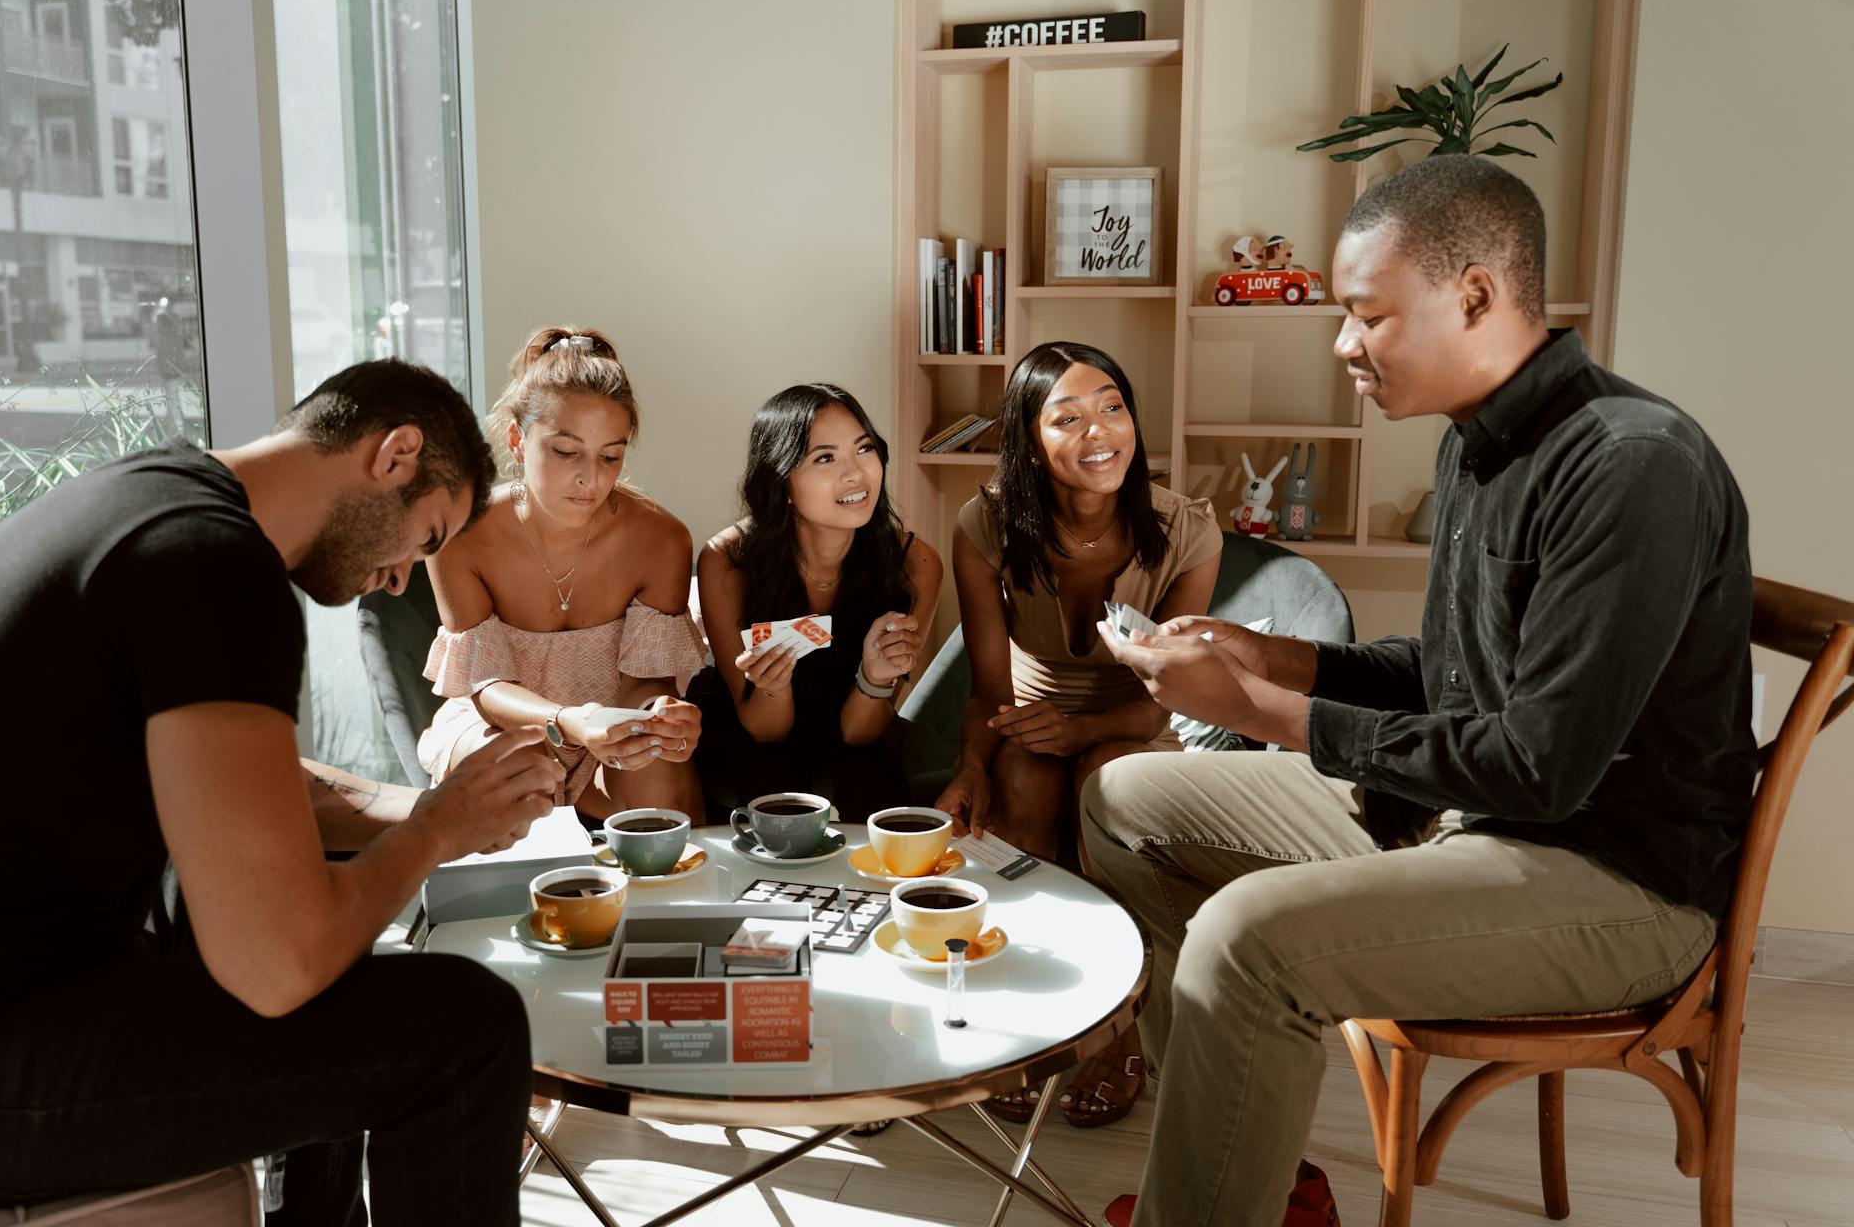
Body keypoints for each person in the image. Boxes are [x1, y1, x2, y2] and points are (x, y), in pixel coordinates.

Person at [1086, 155, 1755, 1227]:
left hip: (1618, 878)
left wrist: (1261, 712)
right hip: (1469, 818)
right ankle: (1249, 1179)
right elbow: (1451, 679)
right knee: (1126, 803)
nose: (1345, 344)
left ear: (1476, 294)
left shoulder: (1632, 465)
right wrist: (1265, 658)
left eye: (1367, 316)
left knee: (1244, 939)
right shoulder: (1474, 443)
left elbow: (1539, 767)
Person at [0, 359, 563, 1223]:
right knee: (466, 1029)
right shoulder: (215, 566)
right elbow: (279, 970)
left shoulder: (155, 501)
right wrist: (432, 835)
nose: (401, 578)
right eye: (425, 537)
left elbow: (247, 789)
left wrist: (424, 808)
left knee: (314, 959)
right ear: (396, 454)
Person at [938, 340, 1223, 1129]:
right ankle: (1027, 1023)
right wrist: (973, 765)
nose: (1101, 432)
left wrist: (1083, 730)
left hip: (1132, 719)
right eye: (1068, 418)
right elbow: (989, 687)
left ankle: (1115, 1032)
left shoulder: (1189, 532)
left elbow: (1160, 704)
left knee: (1112, 792)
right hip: (1024, 716)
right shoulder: (984, 524)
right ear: (1030, 440)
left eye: (1113, 407)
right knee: (1025, 791)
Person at [419, 326, 708, 823]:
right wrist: (567, 720)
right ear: (517, 439)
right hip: (502, 725)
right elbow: (486, 688)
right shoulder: (461, 535)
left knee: (659, 769)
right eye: (566, 451)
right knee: (522, 767)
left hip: (611, 726)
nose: (590, 478)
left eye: (610, 456)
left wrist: (659, 714)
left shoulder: (662, 540)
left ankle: (673, 902)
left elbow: (645, 683)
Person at [693, 383, 942, 822]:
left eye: (864, 449)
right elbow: (764, 729)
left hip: (857, 735)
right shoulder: (726, 560)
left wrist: (873, 676)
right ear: (782, 481)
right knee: (772, 790)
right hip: (753, 733)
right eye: (825, 458)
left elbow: (859, 732)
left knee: (872, 790)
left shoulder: (915, 563)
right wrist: (774, 683)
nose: (855, 474)